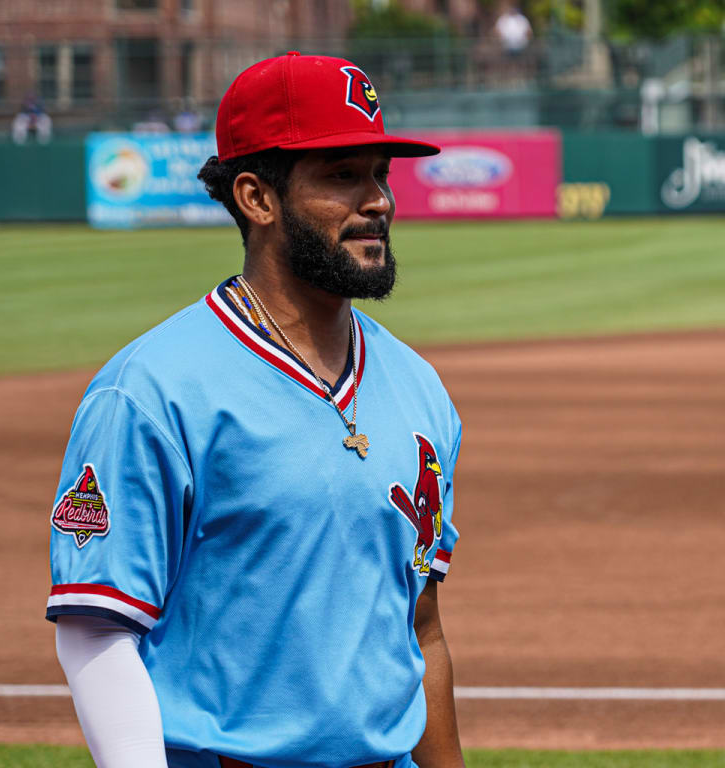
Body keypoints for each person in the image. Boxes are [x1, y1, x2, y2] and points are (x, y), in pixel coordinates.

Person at [47, 52, 464, 768]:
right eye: (342, 175)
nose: (379, 201)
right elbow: (95, 629)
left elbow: (419, 629)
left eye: (380, 173)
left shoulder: (419, 386)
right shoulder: (152, 390)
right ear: (256, 197)